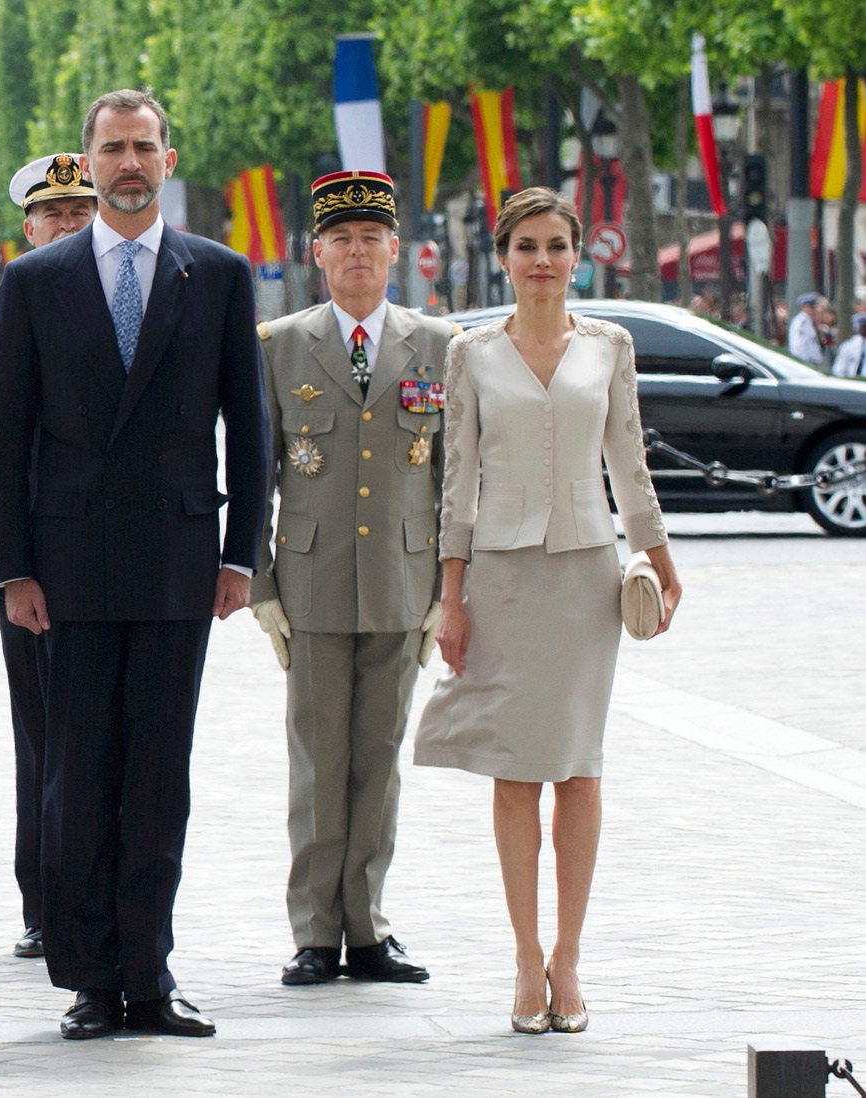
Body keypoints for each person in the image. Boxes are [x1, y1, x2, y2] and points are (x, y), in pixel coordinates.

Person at [0, 88, 269, 1040]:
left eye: (144, 146)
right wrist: (11, 568)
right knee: (75, 777)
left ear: (169, 161)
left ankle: (149, 975)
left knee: (158, 776)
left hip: (178, 560)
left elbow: (250, 429)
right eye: (113, 149)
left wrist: (242, 556)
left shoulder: (220, 276)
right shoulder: (36, 281)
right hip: (65, 569)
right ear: (89, 161)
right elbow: (4, 434)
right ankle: (89, 979)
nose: (129, 163)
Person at [412, 187, 681, 1036]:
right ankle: (525, 956)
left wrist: (664, 563)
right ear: (502, 257)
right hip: (499, 576)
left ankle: (570, 956)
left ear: (578, 256)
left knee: (579, 766)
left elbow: (628, 462)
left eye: (556, 246)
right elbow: (456, 483)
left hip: (585, 579)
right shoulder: (472, 353)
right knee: (515, 769)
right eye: (525, 246)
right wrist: (450, 598)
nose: (541, 260)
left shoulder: (610, 345)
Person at [249, 171, 456, 988]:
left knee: (379, 757)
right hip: (312, 585)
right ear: (318, 252)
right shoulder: (279, 345)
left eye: (372, 237)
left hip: (404, 580)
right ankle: (313, 929)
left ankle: (367, 926)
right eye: (342, 239)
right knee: (316, 759)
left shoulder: (440, 345)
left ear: (395, 250)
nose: (358, 252)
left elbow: (455, 472)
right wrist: (261, 585)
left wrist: (449, 586)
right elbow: (256, 473)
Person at [0, 152, 97, 959]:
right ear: (26, 229)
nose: (67, 228)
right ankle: (45, 897)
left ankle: (100, 891)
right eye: (54, 217)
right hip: (29, 561)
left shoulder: (125, 299)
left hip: (108, 555)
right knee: (41, 734)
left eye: (81, 214)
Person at [788, 293, 825, 365]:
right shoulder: (802, 322)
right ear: (803, 307)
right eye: (810, 307)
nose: (813, 310)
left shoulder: (808, 321)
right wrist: (802, 363)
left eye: (813, 307)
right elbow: (799, 345)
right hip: (805, 362)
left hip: (811, 361)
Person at [833, 312, 866, 378]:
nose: (863, 329)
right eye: (862, 326)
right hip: (850, 381)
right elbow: (839, 369)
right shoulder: (849, 345)